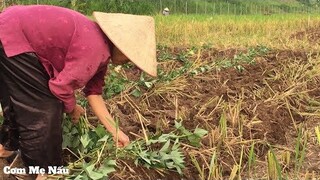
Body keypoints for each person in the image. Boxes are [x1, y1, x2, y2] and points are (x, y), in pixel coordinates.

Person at [0, 5, 157, 180]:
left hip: (10, 30)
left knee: (18, 100)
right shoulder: (95, 47)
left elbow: (94, 93)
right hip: (14, 36)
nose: (128, 61)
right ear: (120, 44)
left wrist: (116, 131)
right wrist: (72, 108)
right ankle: (41, 172)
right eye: (130, 56)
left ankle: (6, 148)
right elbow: (60, 88)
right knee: (46, 109)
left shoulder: (100, 47)